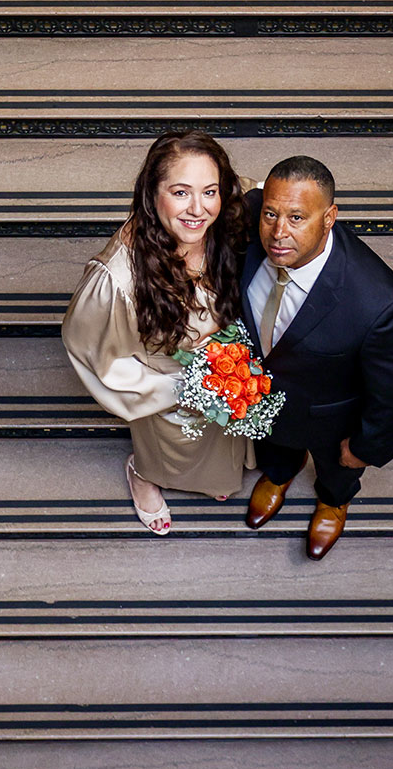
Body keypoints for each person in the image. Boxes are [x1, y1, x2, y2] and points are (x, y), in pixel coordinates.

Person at [61, 131, 253, 535]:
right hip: (167, 387)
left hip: (227, 374)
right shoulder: (116, 278)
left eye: (210, 191)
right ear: (152, 194)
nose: (198, 210)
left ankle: (212, 476)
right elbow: (95, 354)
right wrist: (185, 387)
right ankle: (143, 474)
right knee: (171, 447)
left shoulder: (228, 220)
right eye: (181, 192)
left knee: (219, 448)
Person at [241, 155, 393, 559]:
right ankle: (279, 475)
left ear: (329, 217)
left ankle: (333, 503)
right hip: (267, 400)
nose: (278, 233)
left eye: (297, 218)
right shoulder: (252, 224)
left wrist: (363, 448)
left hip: (331, 418)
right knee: (276, 449)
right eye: (270, 213)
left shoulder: (380, 305)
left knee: (337, 471)